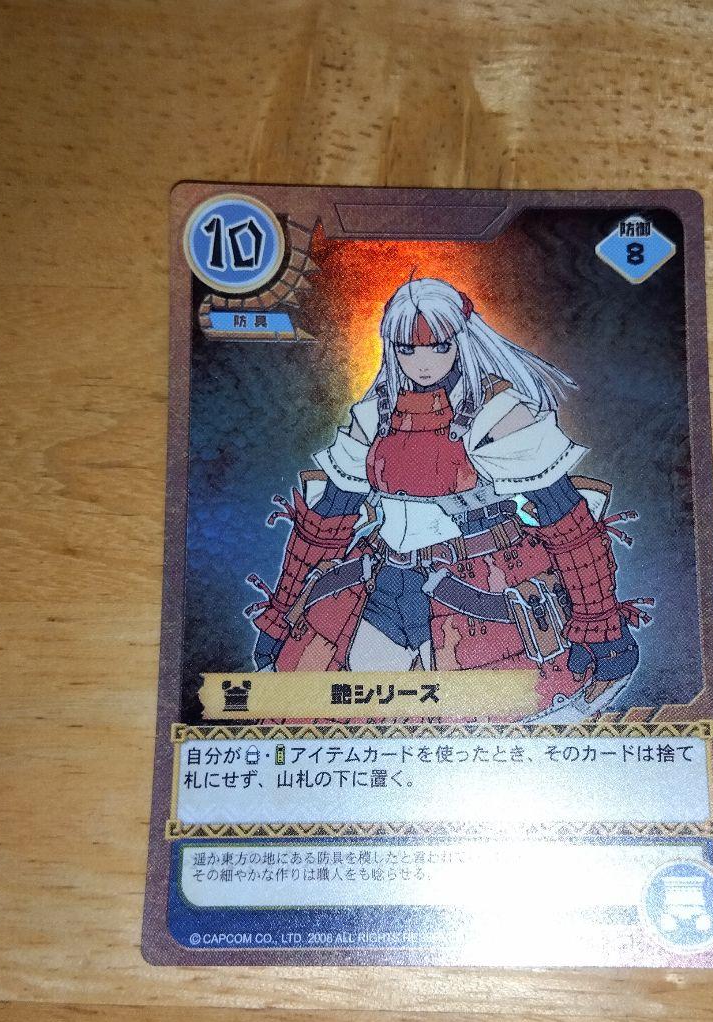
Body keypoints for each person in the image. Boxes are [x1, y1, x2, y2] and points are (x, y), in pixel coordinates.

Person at [250, 276, 647, 715]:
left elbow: (567, 521)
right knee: (345, 711)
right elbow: (328, 520)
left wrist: (601, 627)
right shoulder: (375, 415)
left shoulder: (497, 413)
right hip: (383, 581)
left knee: (484, 723)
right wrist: (281, 615)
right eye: (407, 349)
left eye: (438, 347)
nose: (422, 363)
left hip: (479, 586)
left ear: (460, 341)